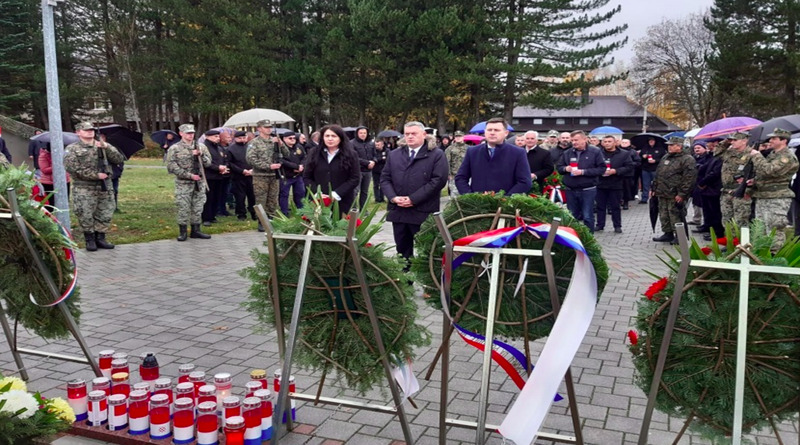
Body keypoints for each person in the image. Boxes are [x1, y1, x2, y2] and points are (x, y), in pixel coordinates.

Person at [380, 121, 448, 269]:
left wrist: (413, 199)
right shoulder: (394, 155)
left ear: (424, 134)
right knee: (402, 250)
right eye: (407, 134)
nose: (410, 137)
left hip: (423, 210)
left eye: (414, 133)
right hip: (399, 210)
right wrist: (393, 197)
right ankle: (405, 282)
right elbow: (385, 178)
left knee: (426, 250)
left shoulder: (436, 155)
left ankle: (428, 284)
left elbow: (438, 181)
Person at [63, 121, 126, 251]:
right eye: (86, 130)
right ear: (78, 132)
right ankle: (89, 239)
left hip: (104, 186)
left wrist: (106, 147)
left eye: (91, 130)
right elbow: (72, 168)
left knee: (105, 212)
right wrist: (95, 175)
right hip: (84, 187)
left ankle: (100, 238)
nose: (90, 132)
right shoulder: (72, 148)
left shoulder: (102, 146)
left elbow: (119, 159)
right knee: (85, 213)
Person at [748, 128, 799, 249]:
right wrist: (754, 181)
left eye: (774, 138)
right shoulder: (773, 154)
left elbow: (769, 171)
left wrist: (757, 156)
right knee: (760, 229)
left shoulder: (787, 157)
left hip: (777, 197)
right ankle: (761, 256)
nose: (770, 140)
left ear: (783, 141)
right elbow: (763, 173)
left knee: (774, 228)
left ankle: (775, 257)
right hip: (763, 195)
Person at [454, 117, 531, 195]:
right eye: (489, 130)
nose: (492, 133)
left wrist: (505, 200)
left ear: (506, 133)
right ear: (485, 132)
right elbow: (461, 178)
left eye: (497, 130)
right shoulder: (473, 151)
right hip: (477, 204)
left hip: (505, 204)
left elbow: (524, 182)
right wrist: (470, 197)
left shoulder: (517, 153)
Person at [166, 124, 212, 241]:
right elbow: (171, 166)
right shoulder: (175, 148)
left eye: (192, 133)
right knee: (183, 207)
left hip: (199, 183)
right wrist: (189, 176)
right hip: (183, 183)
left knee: (198, 206)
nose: (190, 135)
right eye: (188, 133)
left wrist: (201, 155)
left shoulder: (201, 147)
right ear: (181, 133)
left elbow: (208, 163)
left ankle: (196, 230)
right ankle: (182, 231)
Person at [303, 125, 361, 217]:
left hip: (343, 201)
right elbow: (307, 177)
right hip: (318, 201)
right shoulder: (314, 153)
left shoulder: (351, 154)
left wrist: (336, 194)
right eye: (327, 136)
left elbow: (355, 178)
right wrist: (318, 193)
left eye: (334, 136)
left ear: (340, 138)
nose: (330, 139)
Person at [556, 130, 606, 232]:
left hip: (587, 189)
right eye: (572, 140)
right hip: (571, 189)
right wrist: (566, 169)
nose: (574, 142)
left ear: (585, 139)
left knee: (587, 216)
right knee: (571, 216)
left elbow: (602, 169)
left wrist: (583, 172)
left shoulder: (595, 151)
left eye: (576, 140)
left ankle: (589, 240)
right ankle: (574, 239)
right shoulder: (567, 152)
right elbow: (559, 167)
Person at [651, 137, 697, 243]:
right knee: (664, 214)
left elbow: (689, 178)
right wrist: (654, 188)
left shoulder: (687, 159)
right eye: (669, 145)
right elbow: (658, 173)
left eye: (672, 145)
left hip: (675, 193)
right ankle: (668, 233)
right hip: (662, 191)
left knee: (676, 215)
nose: (669, 147)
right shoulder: (666, 157)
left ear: (679, 146)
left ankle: (679, 236)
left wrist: (682, 194)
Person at [247, 120, 289, 229]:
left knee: (273, 200)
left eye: (270, 127)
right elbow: (250, 159)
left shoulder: (274, 140)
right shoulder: (254, 143)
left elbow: (287, 154)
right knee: (261, 199)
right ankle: (261, 222)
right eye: (266, 127)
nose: (269, 129)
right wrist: (268, 166)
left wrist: (281, 144)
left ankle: (271, 219)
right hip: (260, 176)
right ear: (259, 128)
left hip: (274, 175)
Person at [595, 135, 633, 233]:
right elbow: (593, 165)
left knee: (615, 206)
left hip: (616, 183)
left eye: (609, 141)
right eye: (605, 141)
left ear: (615, 142)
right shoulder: (598, 153)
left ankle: (617, 225)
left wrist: (616, 171)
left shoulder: (624, 154)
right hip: (600, 183)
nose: (607, 143)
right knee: (600, 206)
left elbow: (629, 167)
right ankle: (600, 225)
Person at [718, 133, 753, 227]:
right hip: (726, 191)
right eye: (731, 140)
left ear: (744, 141)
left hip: (741, 191)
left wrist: (751, 181)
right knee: (726, 221)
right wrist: (726, 141)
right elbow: (716, 152)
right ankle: (730, 240)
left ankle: (742, 241)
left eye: (735, 140)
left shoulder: (751, 154)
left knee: (741, 221)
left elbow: (760, 172)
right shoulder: (729, 153)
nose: (732, 142)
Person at [693, 141, 723, 240]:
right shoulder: (713, 157)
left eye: (714, 146)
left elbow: (714, 173)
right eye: (710, 145)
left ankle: (717, 232)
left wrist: (703, 183)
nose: (711, 147)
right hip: (707, 188)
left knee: (715, 212)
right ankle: (708, 226)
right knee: (707, 210)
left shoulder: (720, 158)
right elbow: (705, 168)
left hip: (714, 188)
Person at [200, 130, 230, 226]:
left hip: (219, 176)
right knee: (208, 198)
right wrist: (218, 168)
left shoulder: (219, 147)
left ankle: (213, 216)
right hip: (209, 176)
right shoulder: (204, 147)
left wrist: (225, 167)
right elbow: (206, 162)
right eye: (215, 136)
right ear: (207, 137)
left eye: (218, 136)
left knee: (217, 197)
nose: (218, 138)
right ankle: (206, 218)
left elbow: (225, 158)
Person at [227, 131, 256, 221]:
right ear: (235, 138)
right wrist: (242, 171)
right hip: (238, 176)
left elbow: (255, 159)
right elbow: (230, 163)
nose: (242, 139)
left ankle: (254, 213)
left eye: (244, 137)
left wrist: (252, 169)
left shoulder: (250, 147)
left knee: (253, 196)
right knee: (240, 196)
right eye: (240, 138)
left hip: (251, 175)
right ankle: (241, 214)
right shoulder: (230, 149)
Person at [278, 131, 306, 215]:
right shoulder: (280, 148)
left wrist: (301, 166)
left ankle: (301, 212)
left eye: (294, 138)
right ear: (284, 139)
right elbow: (281, 160)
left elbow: (304, 157)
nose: (293, 140)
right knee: (284, 195)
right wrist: (295, 167)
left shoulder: (299, 147)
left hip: (298, 175)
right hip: (286, 175)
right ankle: (284, 212)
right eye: (290, 138)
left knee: (300, 193)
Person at [38, 143, 72, 209]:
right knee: (50, 205)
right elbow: (44, 170)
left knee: (64, 202)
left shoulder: (63, 154)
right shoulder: (43, 156)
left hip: (64, 181)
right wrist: (57, 165)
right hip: (49, 183)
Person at [351, 126, 376, 210]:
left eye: (364, 133)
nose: (363, 135)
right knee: (355, 191)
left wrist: (373, 161)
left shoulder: (371, 143)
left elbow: (375, 155)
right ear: (357, 134)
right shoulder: (352, 143)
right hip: (357, 170)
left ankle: (363, 209)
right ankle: (354, 208)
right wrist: (367, 163)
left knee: (365, 191)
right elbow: (354, 157)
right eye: (361, 133)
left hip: (368, 171)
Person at [639, 137, 666, 204]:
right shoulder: (645, 148)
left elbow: (664, 159)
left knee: (656, 184)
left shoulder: (661, 149)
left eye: (652, 140)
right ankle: (644, 199)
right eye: (649, 140)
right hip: (645, 169)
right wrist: (643, 156)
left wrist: (655, 160)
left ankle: (657, 197)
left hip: (656, 169)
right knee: (645, 184)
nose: (651, 142)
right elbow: (639, 158)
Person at [444, 131, 468, 197]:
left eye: (460, 136)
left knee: (466, 194)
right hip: (454, 175)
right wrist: (448, 174)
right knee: (454, 195)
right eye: (456, 136)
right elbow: (446, 162)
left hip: (466, 175)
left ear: (463, 137)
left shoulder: (468, 148)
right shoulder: (450, 149)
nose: (458, 138)